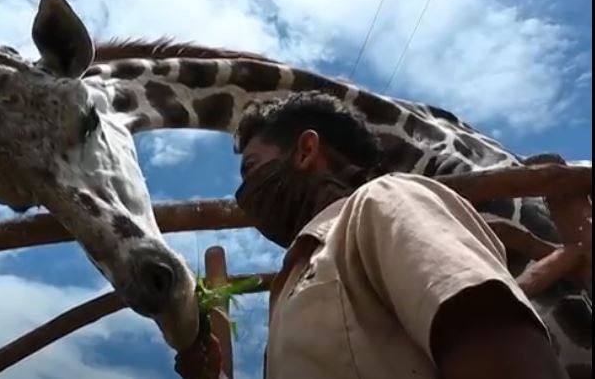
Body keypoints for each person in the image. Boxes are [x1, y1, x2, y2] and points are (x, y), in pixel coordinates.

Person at [174, 91, 566, 379]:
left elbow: (498, 343)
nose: (245, 195)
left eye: (252, 169)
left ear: (306, 151)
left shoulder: (385, 202)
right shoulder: (293, 280)